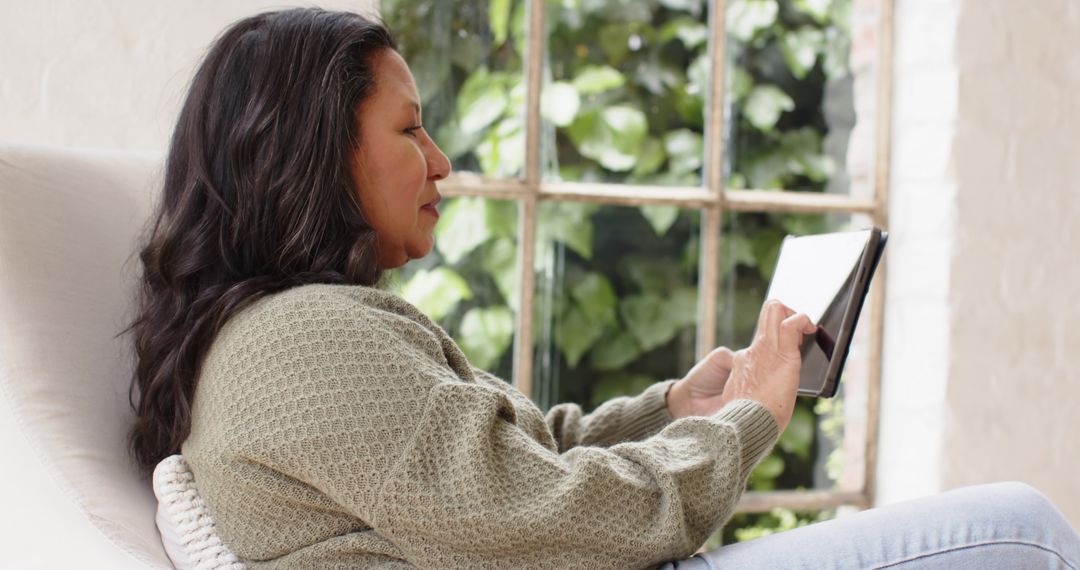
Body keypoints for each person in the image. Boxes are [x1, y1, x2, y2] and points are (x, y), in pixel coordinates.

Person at [126, 7, 1080, 570]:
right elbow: (565, 521)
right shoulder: (302, 346)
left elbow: (522, 469)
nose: (441, 160)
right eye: (410, 131)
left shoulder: (300, 335)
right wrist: (743, 424)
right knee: (1023, 533)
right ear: (314, 154)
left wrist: (676, 406)